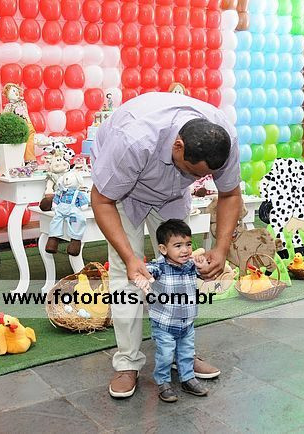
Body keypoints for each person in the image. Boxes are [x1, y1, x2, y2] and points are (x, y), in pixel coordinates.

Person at [90, 92, 242, 399]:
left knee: (181, 268)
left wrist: (221, 249)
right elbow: (101, 199)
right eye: (195, 173)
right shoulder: (134, 138)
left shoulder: (224, 138)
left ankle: (179, 354)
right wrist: (131, 258)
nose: (200, 179)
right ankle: (127, 362)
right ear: (178, 146)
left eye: (206, 176)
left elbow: (230, 194)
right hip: (121, 193)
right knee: (128, 275)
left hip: (171, 195)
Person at [141, 219, 210, 403]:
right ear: (163, 249)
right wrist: (142, 277)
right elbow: (147, 270)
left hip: (187, 322)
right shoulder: (159, 267)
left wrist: (203, 265)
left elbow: (206, 273)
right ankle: (163, 382)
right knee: (165, 355)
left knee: (187, 353)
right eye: (178, 246)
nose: (185, 250)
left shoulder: (190, 266)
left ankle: (187, 378)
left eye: (188, 244)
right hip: (164, 324)